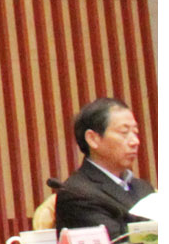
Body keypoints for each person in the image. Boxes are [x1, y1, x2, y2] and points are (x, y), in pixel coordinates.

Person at [52, 97, 152, 236]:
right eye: (124, 133)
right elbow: (118, 242)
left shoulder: (144, 188)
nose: (135, 141)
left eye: (135, 132)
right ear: (93, 139)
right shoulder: (77, 194)